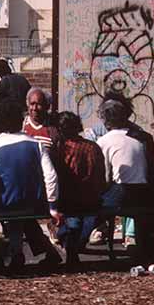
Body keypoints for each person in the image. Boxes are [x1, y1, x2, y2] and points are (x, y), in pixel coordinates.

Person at [0, 100, 63, 271]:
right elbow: (51, 176)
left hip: (3, 205)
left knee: (10, 214)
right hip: (33, 204)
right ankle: (26, 252)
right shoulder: (36, 144)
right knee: (23, 216)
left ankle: (2, 254)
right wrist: (53, 206)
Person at [96, 99, 154, 268]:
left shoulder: (104, 141)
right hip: (143, 192)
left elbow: (105, 176)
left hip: (121, 191)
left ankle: (76, 243)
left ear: (105, 119)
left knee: (93, 207)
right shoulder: (139, 139)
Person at [50, 112, 106, 267]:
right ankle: (73, 243)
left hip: (67, 199)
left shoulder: (60, 150)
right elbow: (100, 177)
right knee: (81, 222)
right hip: (90, 199)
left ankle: (69, 244)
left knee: (72, 223)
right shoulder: (92, 147)